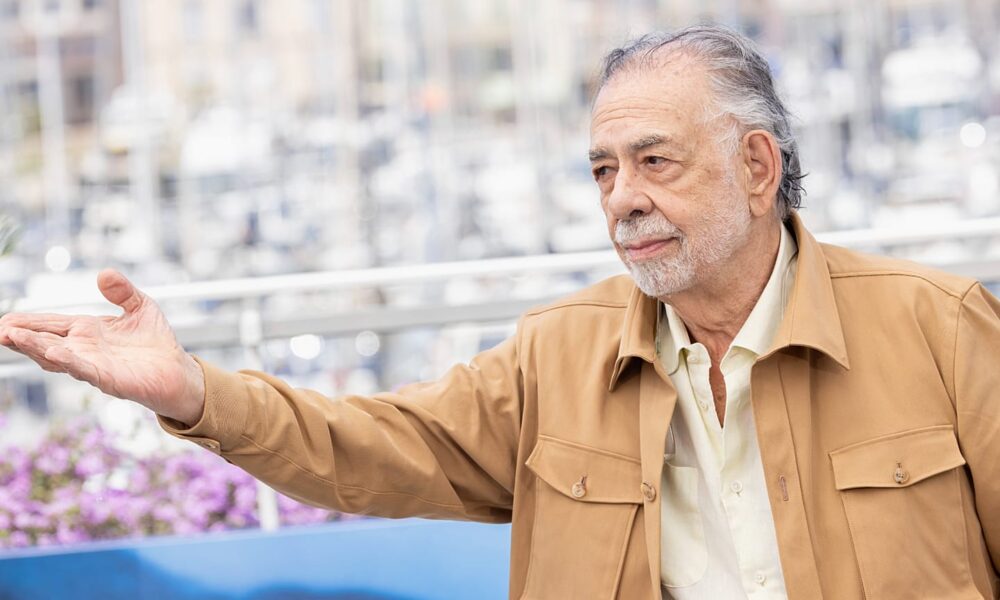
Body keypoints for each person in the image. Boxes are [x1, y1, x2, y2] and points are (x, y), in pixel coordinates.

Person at [0, 25, 997, 600]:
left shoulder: (940, 329)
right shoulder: (554, 357)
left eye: (654, 161)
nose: (621, 198)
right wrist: (189, 391)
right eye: (602, 171)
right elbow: (368, 448)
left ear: (756, 167)